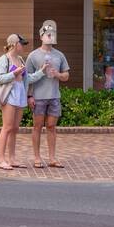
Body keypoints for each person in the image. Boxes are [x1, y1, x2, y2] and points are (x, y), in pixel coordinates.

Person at [26, 19, 70, 168]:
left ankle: (52, 158)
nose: (50, 36)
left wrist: (57, 74)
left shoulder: (60, 55)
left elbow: (66, 76)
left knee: (51, 127)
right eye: (47, 34)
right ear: (41, 36)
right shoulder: (33, 56)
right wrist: (29, 96)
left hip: (54, 96)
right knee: (37, 126)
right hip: (38, 97)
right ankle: (37, 158)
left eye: (52, 34)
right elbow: (28, 78)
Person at [0, 34, 35, 170]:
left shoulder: (21, 59)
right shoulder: (3, 59)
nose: (23, 46)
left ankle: (12, 159)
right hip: (9, 94)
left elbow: (27, 78)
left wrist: (41, 72)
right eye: (21, 44)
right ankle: (1, 160)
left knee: (15, 128)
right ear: (15, 44)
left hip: (20, 93)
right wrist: (14, 73)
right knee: (7, 127)